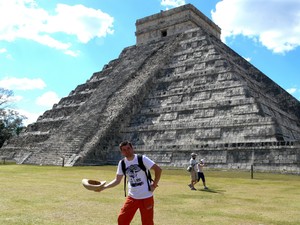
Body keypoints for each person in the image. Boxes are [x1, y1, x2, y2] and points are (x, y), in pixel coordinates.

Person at [95, 141, 162, 225]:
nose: (127, 151)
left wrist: (154, 185)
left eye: (128, 148)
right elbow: (117, 180)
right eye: (124, 150)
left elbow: (158, 169)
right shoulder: (122, 163)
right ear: (122, 152)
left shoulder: (142, 159)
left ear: (132, 148)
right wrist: (104, 187)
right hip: (132, 197)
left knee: (147, 222)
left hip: (146, 197)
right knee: (122, 220)